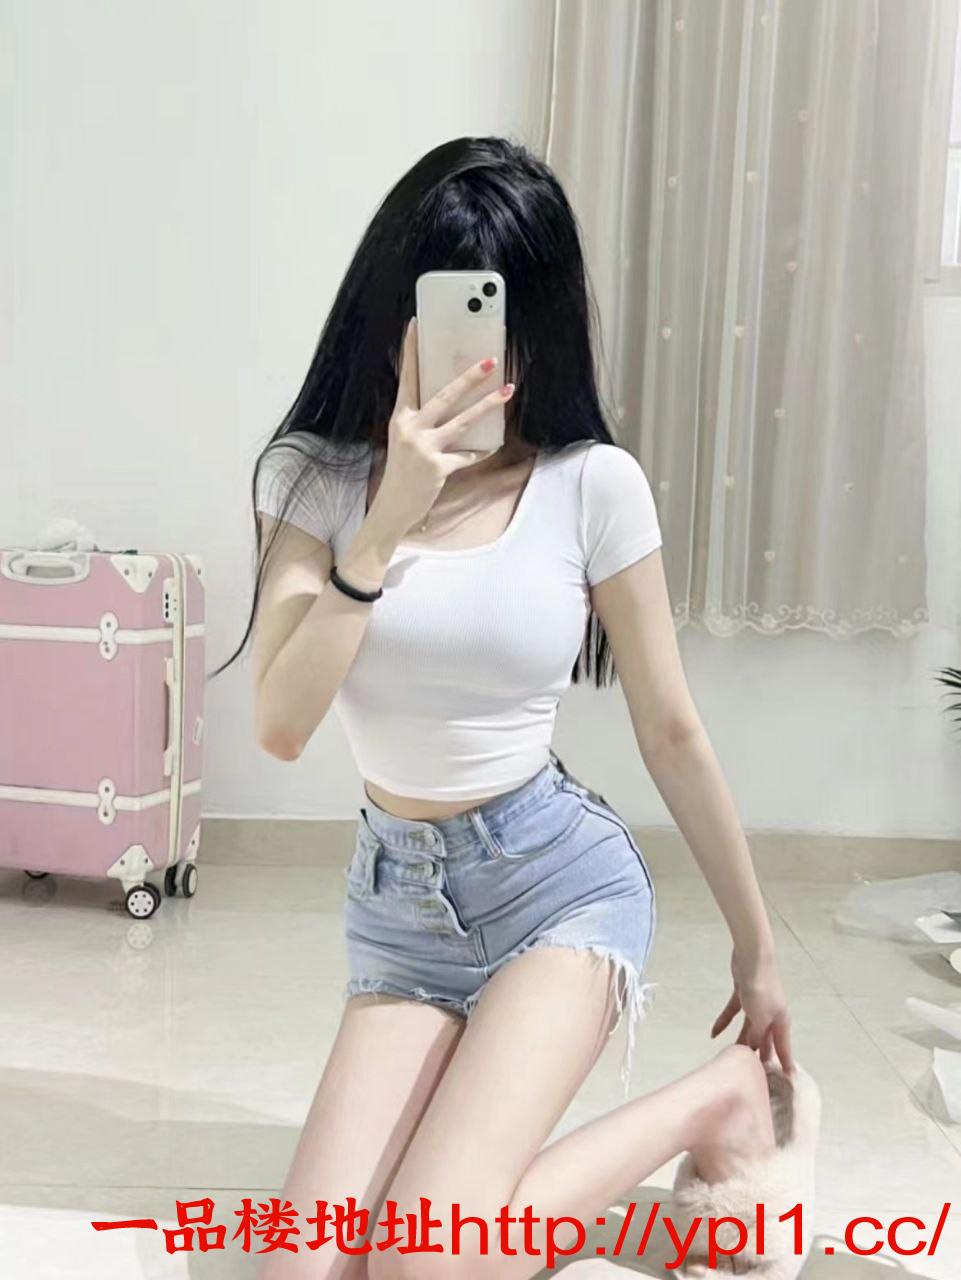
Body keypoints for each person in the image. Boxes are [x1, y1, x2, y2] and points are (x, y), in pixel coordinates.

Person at [224, 137, 802, 1279]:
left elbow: (669, 729)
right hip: (403, 912)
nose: (480, 353)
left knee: (424, 1263)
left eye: (504, 317)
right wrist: (387, 518)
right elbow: (281, 725)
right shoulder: (313, 480)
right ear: (394, 312)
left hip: (557, 890)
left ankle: (720, 1097)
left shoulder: (591, 485)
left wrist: (757, 944)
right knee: (300, 1271)